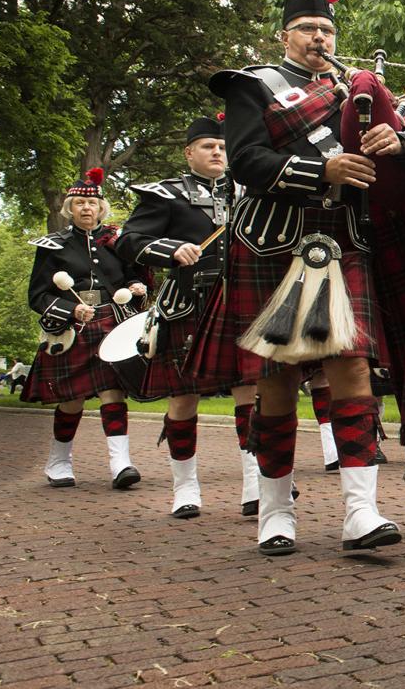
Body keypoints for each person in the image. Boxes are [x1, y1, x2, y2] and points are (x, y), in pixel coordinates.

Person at [188, 0, 405, 555]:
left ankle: (361, 512)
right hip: (275, 243)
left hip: (343, 240)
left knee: (353, 369)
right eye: (309, 30)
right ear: (285, 36)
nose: (320, 38)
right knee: (278, 377)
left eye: (328, 31)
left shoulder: (357, 91)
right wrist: (323, 173)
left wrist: (399, 142)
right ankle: (275, 509)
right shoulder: (254, 86)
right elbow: (244, 161)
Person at [116, 115, 261, 519]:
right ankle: (186, 488)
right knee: (183, 398)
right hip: (186, 306)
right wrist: (170, 249)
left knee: (249, 393)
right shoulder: (165, 194)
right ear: (189, 152)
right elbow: (129, 241)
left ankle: (255, 484)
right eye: (207, 147)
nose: (217, 152)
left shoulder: (248, 191)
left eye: (221, 146)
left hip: (240, 303)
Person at [24, 169, 148, 489]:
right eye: (78, 203)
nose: (85, 209)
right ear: (69, 208)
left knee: (113, 391)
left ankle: (121, 464)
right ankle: (58, 460)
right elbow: (37, 295)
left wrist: (136, 286)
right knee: (72, 399)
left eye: (91, 204)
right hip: (74, 329)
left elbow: (132, 276)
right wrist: (70, 308)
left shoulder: (116, 242)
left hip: (111, 324)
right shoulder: (53, 246)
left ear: (101, 208)